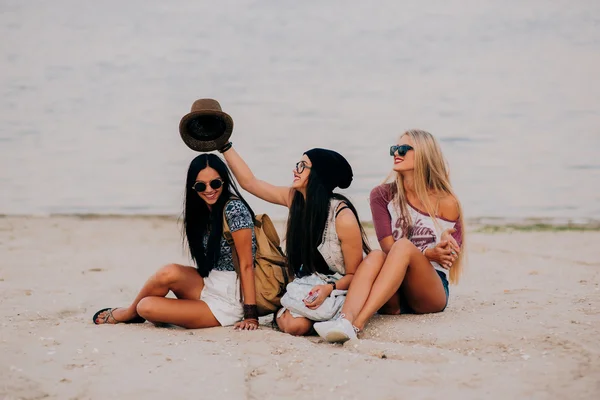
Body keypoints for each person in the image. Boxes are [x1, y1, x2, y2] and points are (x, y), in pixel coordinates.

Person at [314, 129, 464, 343]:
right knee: (375, 255)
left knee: (402, 246)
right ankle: (344, 320)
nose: (396, 153)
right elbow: (387, 247)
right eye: (394, 149)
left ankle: (356, 325)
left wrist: (447, 248)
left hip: (429, 291)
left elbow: (450, 256)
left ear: (424, 154)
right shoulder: (382, 195)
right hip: (392, 292)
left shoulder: (447, 201)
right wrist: (428, 252)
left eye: (403, 149)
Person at [220, 142, 378, 336]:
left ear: (319, 176)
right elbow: (250, 183)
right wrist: (224, 146)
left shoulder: (342, 217)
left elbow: (354, 275)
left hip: (338, 287)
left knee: (300, 323)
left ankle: (332, 318)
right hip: (307, 284)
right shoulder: (294, 199)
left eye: (303, 166)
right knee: (296, 327)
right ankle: (308, 315)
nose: (296, 170)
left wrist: (328, 289)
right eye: (298, 164)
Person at [92, 154, 260, 330]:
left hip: (230, 298)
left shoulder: (235, 210)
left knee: (147, 306)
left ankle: (138, 313)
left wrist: (251, 316)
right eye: (201, 185)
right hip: (210, 282)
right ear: (193, 187)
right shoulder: (202, 210)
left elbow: (247, 264)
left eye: (215, 183)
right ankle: (130, 313)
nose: (209, 190)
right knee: (168, 272)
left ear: (224, 181)